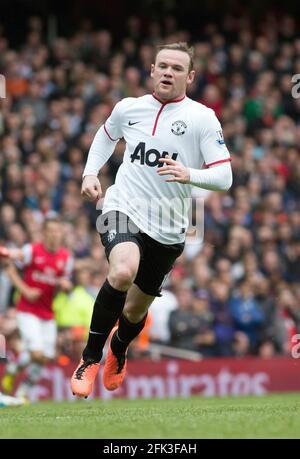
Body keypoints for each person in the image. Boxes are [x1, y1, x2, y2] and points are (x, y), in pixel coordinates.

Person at [71, 42, 232, 398]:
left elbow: (225, 177)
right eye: (162, 66)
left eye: (176, 68)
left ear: (189, 77)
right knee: (122, 270)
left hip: (169, 227)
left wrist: (189, 174)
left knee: (135, 309)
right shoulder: (129, 108)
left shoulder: (202, 118)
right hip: (121, 206)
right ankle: (88, 359)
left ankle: (120, 347)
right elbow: (105, 135)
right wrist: (88, 173)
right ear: (151, 70)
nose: (167, 73)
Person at [0, 218, 73, 399]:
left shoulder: (66, 258)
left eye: (57, 231)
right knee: (37, 353)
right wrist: (25, 290)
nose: (54, 234)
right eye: (50, 231)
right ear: (44, 233)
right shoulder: (32, 251)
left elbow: (64, 285)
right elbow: (9, 266)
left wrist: (65, 287)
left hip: (48, 313)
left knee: (46, 357)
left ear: (61, 234)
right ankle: (15, 377)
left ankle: (19, 386)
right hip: (27, 310)